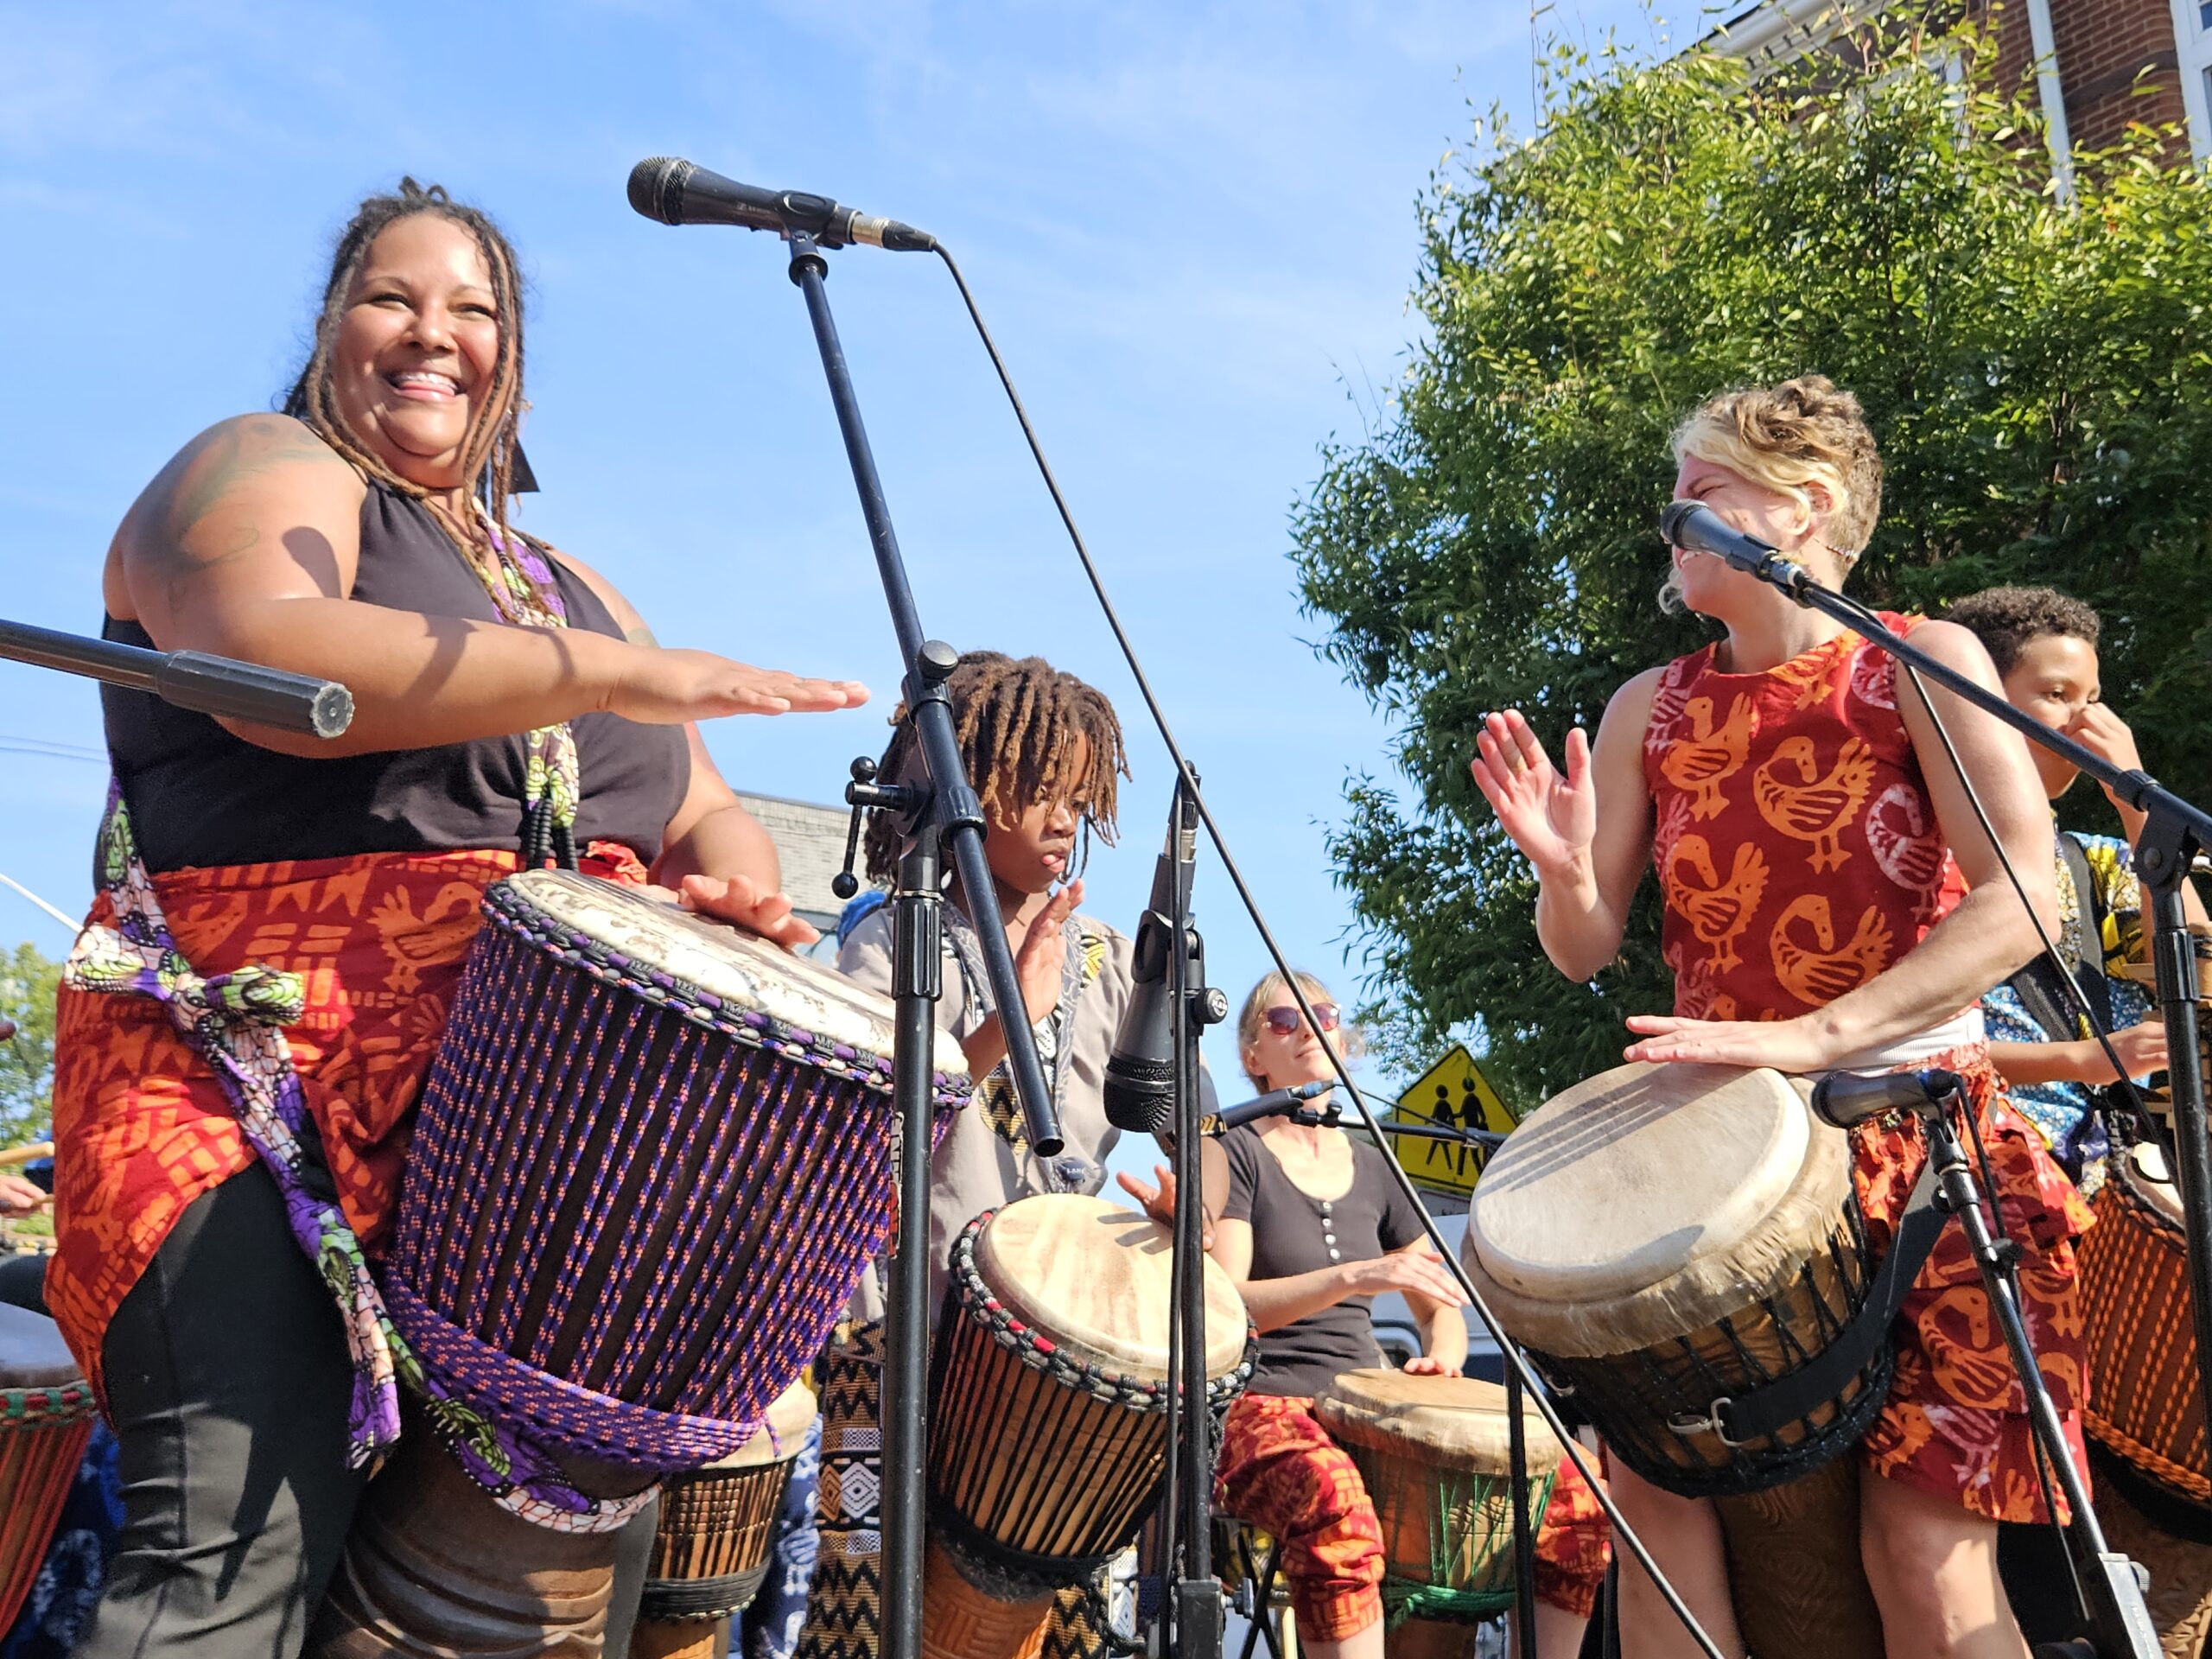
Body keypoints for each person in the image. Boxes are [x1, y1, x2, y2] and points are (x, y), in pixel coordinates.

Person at [49, 177, 865, 1656]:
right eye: (393, 297)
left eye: (475, 310)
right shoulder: (264, 465)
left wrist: (733, 884)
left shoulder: (575, 586)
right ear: (327, 330)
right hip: (244, 1095)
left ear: (515, 365)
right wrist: (612, 676)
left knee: (520, 1598)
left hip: (504, 1135)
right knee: (234, 1563)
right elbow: (278, 655)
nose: (435, 334)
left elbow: (697, 803)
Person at [1470, 375, 2089, 1659]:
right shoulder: (1656, 705)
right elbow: (1586, 949)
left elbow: (2027, 896)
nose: (1674, 515)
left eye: (1703, 490)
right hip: (1721, 1163)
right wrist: (1562, 871)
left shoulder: (1918, 663)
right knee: (1654, 1523)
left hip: (1924, 1151)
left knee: (1923, 1564)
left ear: (1803, 510)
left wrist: (1814, 1038)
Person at [797, 648, 1154, 1659]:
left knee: (1045, 1622)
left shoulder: (1108, 955)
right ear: (967, 788)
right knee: (862, 1613)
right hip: (897, 1338)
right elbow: (867, 1114)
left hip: (1048, 1354)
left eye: (1079, 797)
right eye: (1038, 791)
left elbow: (1184, 1119)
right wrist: (1007, 1019)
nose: (1063, 820)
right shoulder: (888, 935)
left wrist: (1191, 1196)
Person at [1207, 972, 1610, 1659]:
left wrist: (1444, 1356)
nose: (1309, 1027)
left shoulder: (1376, 1163)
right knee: (1336, 1506)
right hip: (1265, 1402)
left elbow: (1440, 1304)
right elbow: (1227, 1304)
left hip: (1372, 1407)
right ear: (1252, 1056)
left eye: (1324, 1014)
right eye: (1284, 1020)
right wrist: (1356, 1274)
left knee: (1578, 1501)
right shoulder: (1235, 1149)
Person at [1943, 584, 2206, 1185]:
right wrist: (2083, 1061)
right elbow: (1896, 1048)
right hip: (1979, 1180)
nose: (2087, 722)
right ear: (1974, 701)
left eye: (2095, 699)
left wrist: (2137, 799)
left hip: (2121, 1178)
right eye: (2057, 695)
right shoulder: (1915, 861)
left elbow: (2201, 970)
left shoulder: (2104, 861)